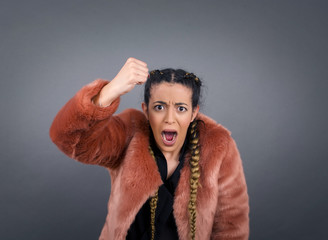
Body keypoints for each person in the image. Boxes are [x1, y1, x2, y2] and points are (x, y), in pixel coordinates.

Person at [49, 57, 249, 240]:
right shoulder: (129, 132)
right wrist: (110, 91)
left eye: (181, 108)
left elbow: (231, 226)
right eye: (159, 107)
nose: (169, 118)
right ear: (146, 110)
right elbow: (67, 138)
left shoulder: (219, 146)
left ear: (193, 113)